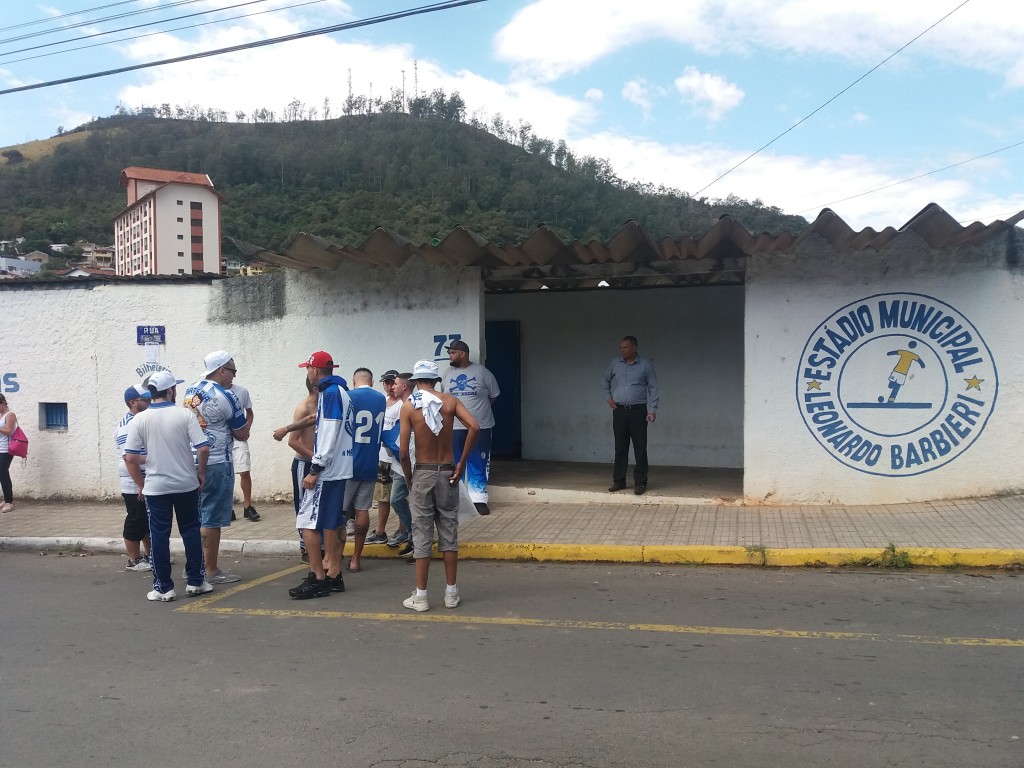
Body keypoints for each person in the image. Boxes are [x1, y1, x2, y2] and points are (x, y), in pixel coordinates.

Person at [123, 370, 212, 602]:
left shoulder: (139, 419)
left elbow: (130, 457)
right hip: (186, 484)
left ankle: (163, 587)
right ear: (171, 390)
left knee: (159, 534)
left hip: (156, 487)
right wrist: (201, 473)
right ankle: (196, 581)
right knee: (191, 530)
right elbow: (203, 448)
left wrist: (141, 485)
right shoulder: (184, 415)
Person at [400, 360, 479, 612]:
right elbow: (474, 426)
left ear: (415, 382)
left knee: (421, 532)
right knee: (448, 531)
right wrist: (462, 462)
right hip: (447, 471)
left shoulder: (409, 406)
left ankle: (421, 596)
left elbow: (403, 452)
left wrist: (409, 477)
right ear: (436, 380)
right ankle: (451, 593)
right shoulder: (450, 401)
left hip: (422, 471)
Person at [288, 351, 354, 599]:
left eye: (308, 369)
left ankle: (318, 577)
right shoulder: (343, 393)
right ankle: (334, 575)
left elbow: (328, 432)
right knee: (333, 521)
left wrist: (315, 469)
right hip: (340, 467)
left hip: (327, 470)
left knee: (306, 522)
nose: (308, 373)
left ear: (314, 371)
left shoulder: (329, 394)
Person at [184, 350, 249, 584]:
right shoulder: (227, 396)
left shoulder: (190, 390)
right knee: (210, 518)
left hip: (191, 460)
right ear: (221, 370)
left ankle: (194, 565)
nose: (234, 376)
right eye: (232, 370)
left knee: (196, 516)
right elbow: (242, 432)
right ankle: (209, 569)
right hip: (217, 461)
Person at [441, 340, 499, 515]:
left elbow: (493, 396)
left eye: (452, 353)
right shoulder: (447, 374)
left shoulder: (482, 372)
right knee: (456, 461)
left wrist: (477, 411)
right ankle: (458, 499)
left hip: (481, 425)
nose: (449, 356)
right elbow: (445, 398)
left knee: (478, 460)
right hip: (455, 427)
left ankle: (479, 499)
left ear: (462, 354)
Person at [602, 335, 659, 495]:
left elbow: (653, 387)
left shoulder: (645, 365)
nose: (622, 350)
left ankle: (640, 482)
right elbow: (605, 380)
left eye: (625, 347)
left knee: (640, 448)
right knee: (620, 447)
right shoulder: (615, 364)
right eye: (620, 347)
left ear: (634, 348)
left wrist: (652, 409)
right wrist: (609, 398)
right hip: (619, 411)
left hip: (638, 411)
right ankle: (619, 481)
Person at [343, 367, 386, 572]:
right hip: (370, 462)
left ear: (353, 381)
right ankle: (356, 559)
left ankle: (335, 556)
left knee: (339, 513)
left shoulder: (347, 396)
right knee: (363, 510)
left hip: (348, 463)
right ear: (372, 381)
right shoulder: (380, 399)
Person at [273, 378, 318, 561]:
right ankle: (304, 547)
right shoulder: (304, 408)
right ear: (316, 389)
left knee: (316, 506)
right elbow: (293, 441)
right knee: (303, 506)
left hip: (317, 463)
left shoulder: (323, 405)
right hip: (304, 463)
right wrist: (315, 459)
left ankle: (317, 546)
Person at [115, 385, 152, 571]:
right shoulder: (127, 426)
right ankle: (134, 559)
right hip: (134, 483)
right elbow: (129, 458)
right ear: (133, 402)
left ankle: (151, 555)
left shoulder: (142, 421)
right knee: (135, 520)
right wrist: (140, 484)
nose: (150, 401)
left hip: (146, 480)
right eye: (145, 399)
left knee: (147, 520)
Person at [364, 370, 400, 545]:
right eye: (386, 383)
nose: (390, 386)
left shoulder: (404, 404)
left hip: (398, 460)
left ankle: (403, 530)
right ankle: (380, 531)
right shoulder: (381, 402)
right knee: (382, 497)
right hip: (382, 457)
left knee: (400, 498)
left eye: (393, 382)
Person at [386, 373, 414, 557]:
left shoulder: (411, 405)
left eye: (395, 384)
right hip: (399, 462)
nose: (392, 387)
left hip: (411, 460)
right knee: (396, 499)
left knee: (418, 503)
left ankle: (414, 537)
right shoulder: (401, 406)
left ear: (404, 387)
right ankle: (411, 533)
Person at [229, 379, 259, 521]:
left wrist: (247, 428)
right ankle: (228, 508)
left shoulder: (242, 391)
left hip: (238, 438)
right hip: (221, 438)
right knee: (225, 473)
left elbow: (250, 413)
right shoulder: (212, 391)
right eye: (231, 371)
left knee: (244, 470)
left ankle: (248, 507)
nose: (233, 375)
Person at [0, 394, 18, 513]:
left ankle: (9, 501)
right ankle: (6, 498)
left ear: (3, 403)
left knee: (3, 474)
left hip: (6, 450)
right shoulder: (0, 415)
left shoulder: (10, 415)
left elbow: (8, 431)